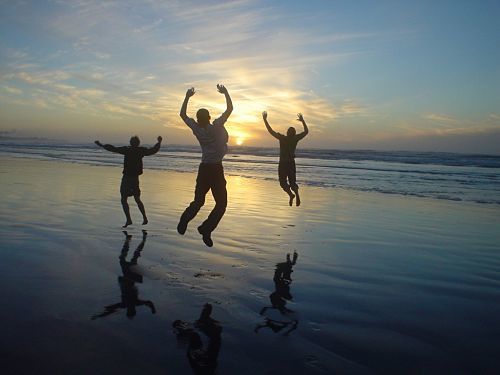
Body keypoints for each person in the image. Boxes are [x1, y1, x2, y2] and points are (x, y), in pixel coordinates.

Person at [177, 84, 233, 247]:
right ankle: (206, 229)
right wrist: (226, 93)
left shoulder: (196, 128)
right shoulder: (216, 126)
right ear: (208, 117)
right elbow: (230, 109)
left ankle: (185, 220)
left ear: (199, 118)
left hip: (204, 169)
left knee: (199, 201)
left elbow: (182, 115)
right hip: (215, 169)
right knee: (221, 204)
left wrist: (187, 97)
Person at [95, 135, 162, 227]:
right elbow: (152, 151)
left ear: (131, 142)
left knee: (124, 199)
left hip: (127, 178)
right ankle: (144, 218)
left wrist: (101, 145)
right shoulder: (140, 150)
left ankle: (129, 219)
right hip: (135, 179)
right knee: (137, 199)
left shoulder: (127, 149)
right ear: (138, 143)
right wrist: (159, 142)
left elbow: (113, 149)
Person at [262, 111, 309, 206]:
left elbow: (271, 131)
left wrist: (265, 120)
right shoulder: (294, 138)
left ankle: (292, 195)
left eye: (289, 131)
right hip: (290, 163)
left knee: (283, 183)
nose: (288, 132)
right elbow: (306, 132)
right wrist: (303, 121)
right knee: (292, 182)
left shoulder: (282, 138)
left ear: (288, 133)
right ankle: (295, 195)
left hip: (283, 164)